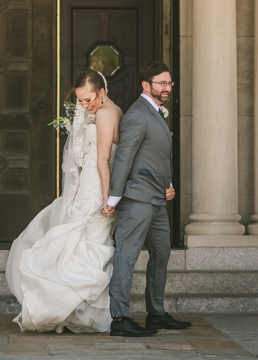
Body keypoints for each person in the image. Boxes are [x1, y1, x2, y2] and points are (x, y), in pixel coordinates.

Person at [5, 68, 123, 333]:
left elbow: (104, 160)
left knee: (84, 243)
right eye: (80, 100)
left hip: (96, 188)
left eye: (88, 99)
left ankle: (65, 308)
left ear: (101, 92)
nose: (84, 105)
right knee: (87, 244)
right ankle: (76, 311)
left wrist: (108, 199)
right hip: (91, 185)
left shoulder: (105, 114)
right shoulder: (114, 110)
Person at [102, 61, 190, 337]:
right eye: (162, 83)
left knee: (162, 253)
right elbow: (124, 158)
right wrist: (114, 199)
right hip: (137, 199)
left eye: (169, 83)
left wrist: (169, 184)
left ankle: (156, 313)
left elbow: (157, 155)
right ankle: (119, 318)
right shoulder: (137, 114)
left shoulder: (156, 113)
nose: (167, 88)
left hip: (157, 199)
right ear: (146, 85)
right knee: (126, 256)